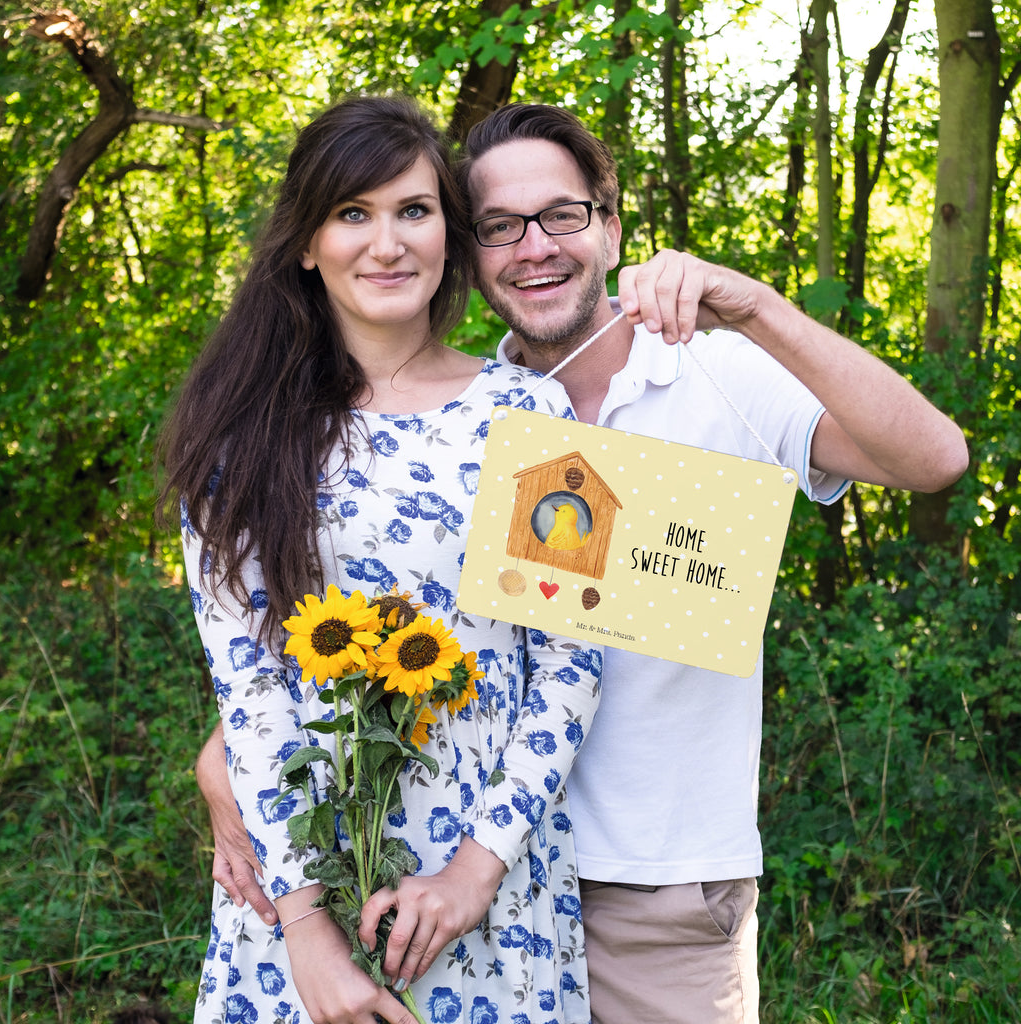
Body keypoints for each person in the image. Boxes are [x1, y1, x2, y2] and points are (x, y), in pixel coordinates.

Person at [199, 102, 969, 1024]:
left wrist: (755, 306)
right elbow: (327, 628)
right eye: (500, 226)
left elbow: (935, 460)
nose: (534, 247)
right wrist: (230, 757)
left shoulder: (698, 376)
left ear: (611, 227)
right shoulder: (465, 414)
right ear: (471, 248)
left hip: (647, 887)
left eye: (561, 215)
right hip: (417, 871)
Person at [160, 96, 606, 1024]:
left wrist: (474, 874)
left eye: (414, 210)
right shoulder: (239, 438)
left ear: (450, 231)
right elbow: (249, 689)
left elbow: (572, 662)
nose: (388, 243)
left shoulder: (536, 414)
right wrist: (307, 934)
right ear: (306, 243)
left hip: (489, 882)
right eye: (352, 213)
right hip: (300, 878)